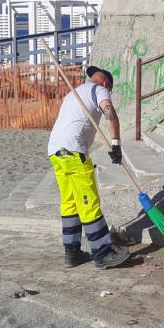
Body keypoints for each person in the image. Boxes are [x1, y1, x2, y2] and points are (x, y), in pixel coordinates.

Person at [47, 65, 131, 270]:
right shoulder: (99, 89)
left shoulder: (73, 93)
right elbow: (110, 112)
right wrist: (116, 144)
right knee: (88, 202)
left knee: (70, 203)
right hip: (74, 151)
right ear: (106, 82)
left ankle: (72, 253)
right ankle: (103, 253)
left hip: (55, 151)